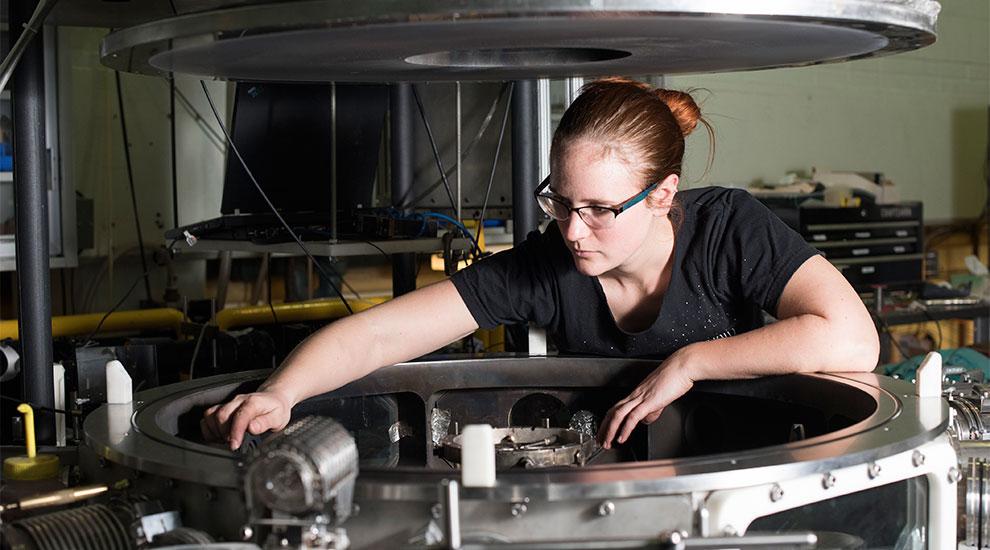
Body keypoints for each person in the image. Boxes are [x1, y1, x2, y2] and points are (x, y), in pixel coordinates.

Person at [201, 78, 879, 451]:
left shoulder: (729, 229)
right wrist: (281, 392)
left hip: (736, 469)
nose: (574, 231)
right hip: (605, 478)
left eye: (600, 210)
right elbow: (381, 334)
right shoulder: (545, 263)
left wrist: (691, 361)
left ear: (663, 195)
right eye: (560, 201)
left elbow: (852, 338)